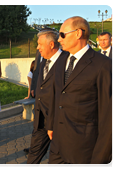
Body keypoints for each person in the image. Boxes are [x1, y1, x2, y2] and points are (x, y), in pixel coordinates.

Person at [47, 16, 114, 167]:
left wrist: (101, 158)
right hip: (57, 147)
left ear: (78, 33)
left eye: (62, 34)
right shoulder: (60, 62)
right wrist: (51, 125)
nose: (59, 39)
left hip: (84, 151)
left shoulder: (103, 65)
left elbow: (109, 117)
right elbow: (57, 96)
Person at [26, 30, 69, 167]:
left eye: (40, 44)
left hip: (58, 121)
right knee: (33, 154)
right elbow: (38, 78)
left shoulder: (67, 61)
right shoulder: (44, 58)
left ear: (51, 44)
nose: (37, 47)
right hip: (40, 119)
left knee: (58, 159)